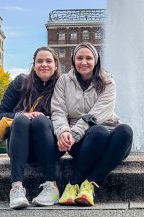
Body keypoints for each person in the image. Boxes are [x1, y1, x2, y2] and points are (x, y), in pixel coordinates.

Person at [51, 42, 133, 207]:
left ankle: (89, 184)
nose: (84, 62)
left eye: (88, 58)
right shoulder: (64, 81)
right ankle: (73, 185)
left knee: (125, 130)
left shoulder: (108, 82)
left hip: (102, 134)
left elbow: (96, 115)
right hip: (82, 142)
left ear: (96, 60)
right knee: (98, 132)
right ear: (73, 60)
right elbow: (58, 110)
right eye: (80, 58)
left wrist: (74, 134)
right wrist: (63, 132)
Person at [0, 46, 61, 209]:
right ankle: (16, 187)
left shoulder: (62, 86)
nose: (44, 65)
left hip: (49, 147)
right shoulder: (20, 83)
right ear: (33, 65)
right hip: (20, 146)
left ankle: (51, 186)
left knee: (40, 121)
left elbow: (69, 116)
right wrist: (21, 115)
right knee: (21, 120)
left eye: (48, 61)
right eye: (39, 61)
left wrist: (46, 119)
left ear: (56, 65)